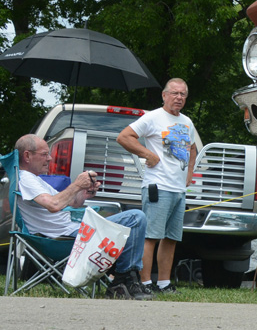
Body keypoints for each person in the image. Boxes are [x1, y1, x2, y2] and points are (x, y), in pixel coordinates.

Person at [14, 134, 154, 300]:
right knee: (135, 218)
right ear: (27, 155)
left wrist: (83, 192)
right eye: (44, 154)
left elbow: (71, 203)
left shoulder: (35, 180)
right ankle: (123, 280)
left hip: (72, 233)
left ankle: (125, 280)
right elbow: (53, 205)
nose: (50, 158)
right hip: (62, 239)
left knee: (131, 221)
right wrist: (77, 184)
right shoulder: (25, 179)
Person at [117, 78, 200, 295]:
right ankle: (145, 283)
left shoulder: (187, 122)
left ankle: (164, 283)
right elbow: (124, 137)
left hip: (178, 189)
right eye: (174, 93)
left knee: (171, 238)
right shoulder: (153, 117)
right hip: (158, 186)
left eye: (183, 94)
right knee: (151, 236)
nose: (178, 98)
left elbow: (192, 149)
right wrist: (147, 154)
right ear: (164, 95)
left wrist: (189, 173)